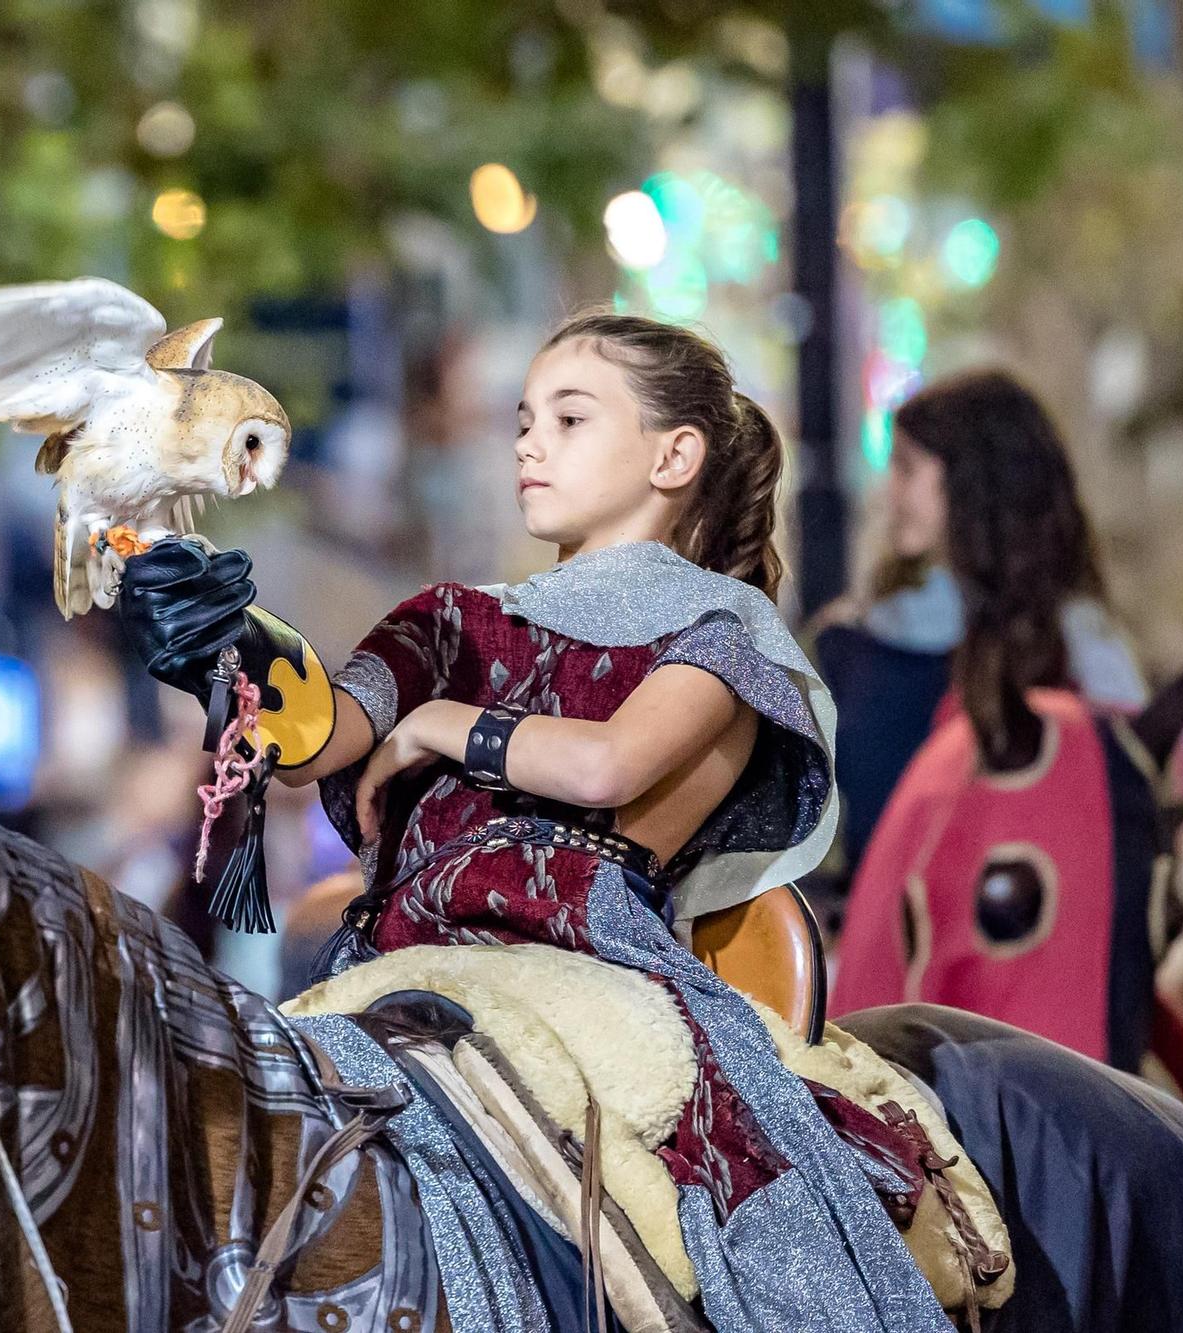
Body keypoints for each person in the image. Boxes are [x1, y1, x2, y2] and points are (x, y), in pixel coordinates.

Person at [119, 310, 965, 1329]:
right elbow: (323, 741)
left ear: (673, 454)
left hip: (589, 964)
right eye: (524, 419)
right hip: (402, 955)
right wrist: (229, 638)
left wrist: (439, 721)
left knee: (739, 1235)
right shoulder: (449, 616)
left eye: (568, 418)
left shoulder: (721, 630)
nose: (526, 441)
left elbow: (609, 764)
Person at [814, 370, 1145, 871]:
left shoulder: (1079, 650)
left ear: (974, 481)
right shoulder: (849, 646)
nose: (890, 493)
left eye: (906, 468)